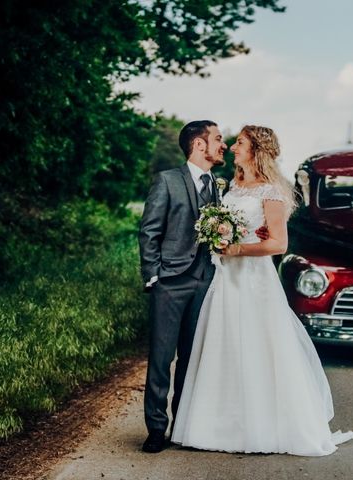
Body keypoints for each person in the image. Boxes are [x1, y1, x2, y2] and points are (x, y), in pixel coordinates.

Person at [171, 125, 353, 456]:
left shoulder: (270, 191)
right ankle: (217, 426)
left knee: (257, 348)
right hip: (225, 278)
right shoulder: (233, 186)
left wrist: (238, 249)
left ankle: (263, 427)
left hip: (253, 279)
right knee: (224, 347)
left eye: (239, 143)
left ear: (255, 149)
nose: (232, 146)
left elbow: (278, 244)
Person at [138, 120, 227, 453]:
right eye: (218, 139)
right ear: (199, 145)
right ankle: (156, 429)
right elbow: (149, 231)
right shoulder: (167, 181)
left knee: (192, 359)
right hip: (170, 282)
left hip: (205, 280)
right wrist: (153, 275)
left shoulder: (218, 186)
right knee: (161, 359)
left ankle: (183, 425)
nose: (223, 144)